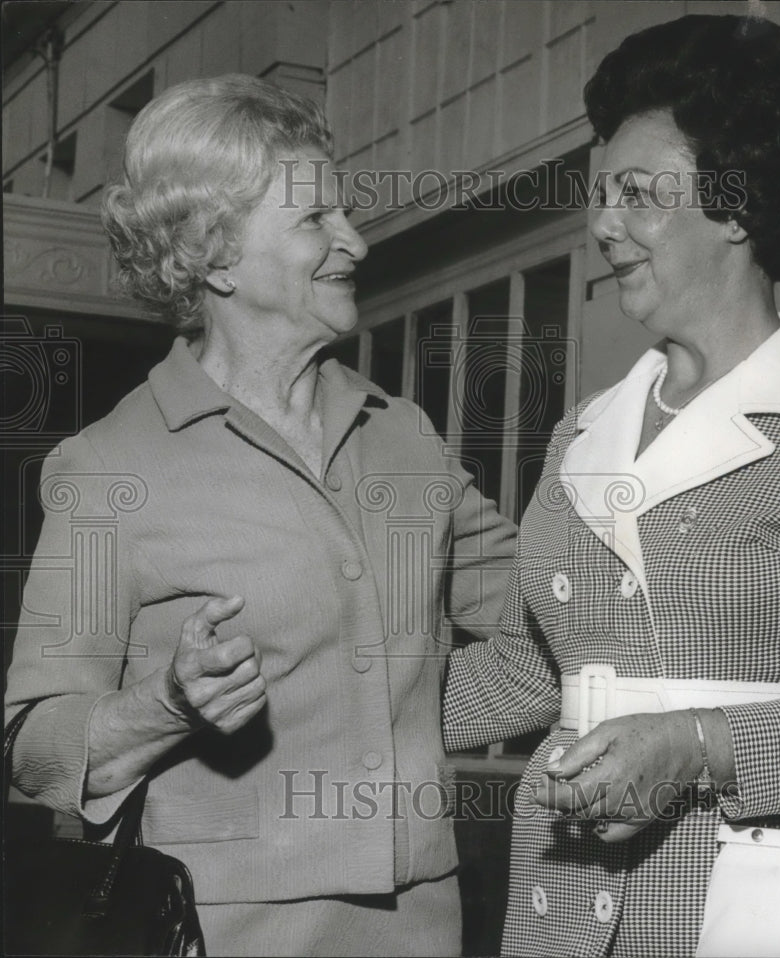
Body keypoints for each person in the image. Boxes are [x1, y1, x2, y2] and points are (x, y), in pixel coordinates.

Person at [442, 14, 780, 957]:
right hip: (563, 906)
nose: (603, 224)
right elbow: (533, 669)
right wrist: (328, 688)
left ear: (736, 209)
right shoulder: (580, 433)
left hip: (763, 907)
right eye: (600, 194)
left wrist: (698, 745)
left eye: (639, 195)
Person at [4, 74, 516, 958]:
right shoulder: (110, 468)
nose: (354, 241)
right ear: (216, 257)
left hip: (422, 924)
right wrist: (167, 705)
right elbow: (34, 742)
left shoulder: (404, 439)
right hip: (220, 930)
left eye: (344, 215)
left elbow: (541, 609)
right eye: (316, 220)